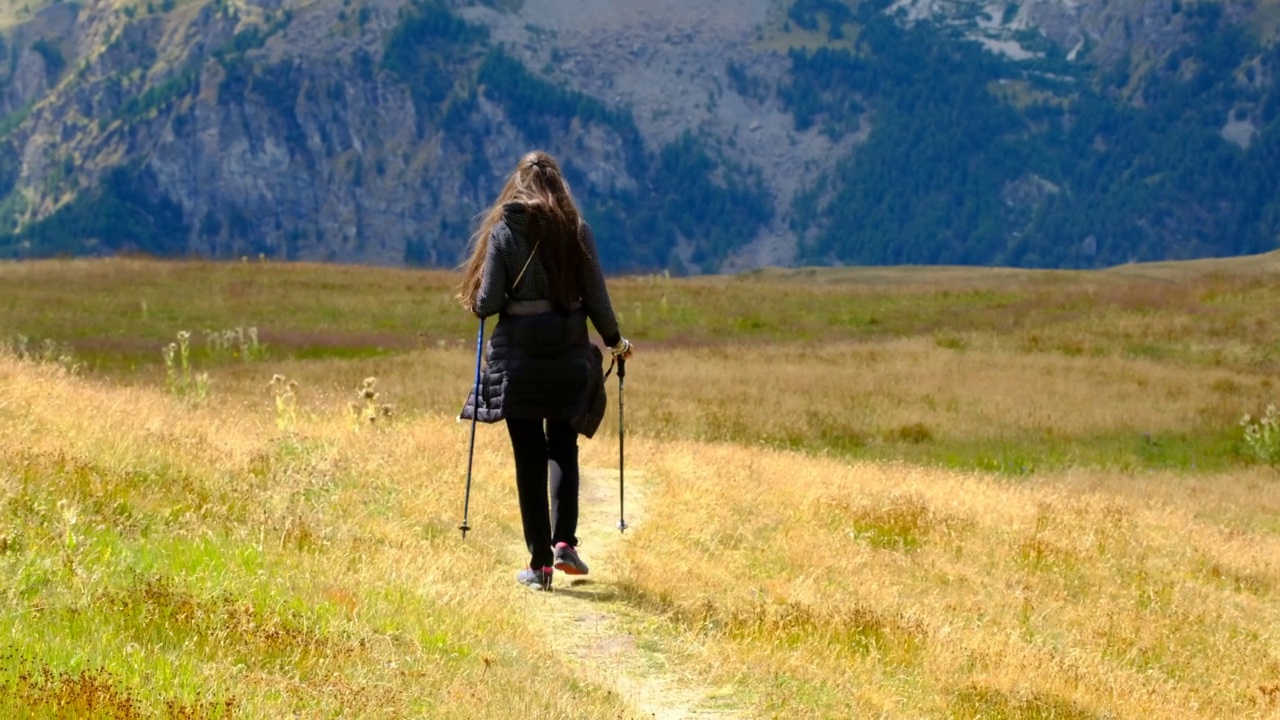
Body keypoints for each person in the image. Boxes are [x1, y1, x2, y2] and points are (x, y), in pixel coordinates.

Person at [457, 150, 634, 592]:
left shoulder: (504, 232)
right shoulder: (577, 232)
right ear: (559, 186)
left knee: (528, 458)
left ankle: (539, 567)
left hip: (517, 362)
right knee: (562, 446)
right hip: (568, 355)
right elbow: (597, 299)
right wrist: (616, 343)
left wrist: (478, 297)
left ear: (517, 185)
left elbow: (489, 303)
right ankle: (563, 544)